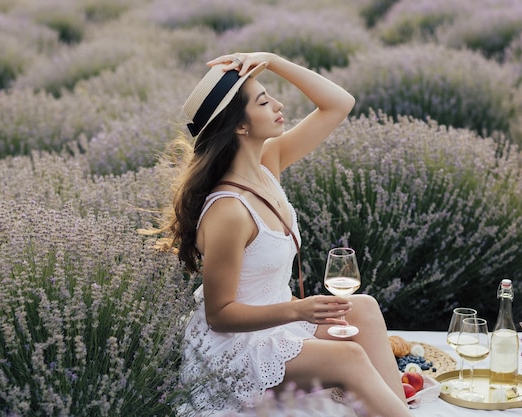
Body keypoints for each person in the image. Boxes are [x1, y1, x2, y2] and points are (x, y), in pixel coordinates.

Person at [156, 52, 413, 416]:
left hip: (278, 329)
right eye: (263, 101)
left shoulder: (267, 162)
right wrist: (298, 309)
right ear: (240, 127)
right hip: (236, 348)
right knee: (349, 357)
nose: (278, 105)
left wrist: (272, 60)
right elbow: (219, 314)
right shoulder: (229, 210)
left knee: (365, 309)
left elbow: (339, 104)